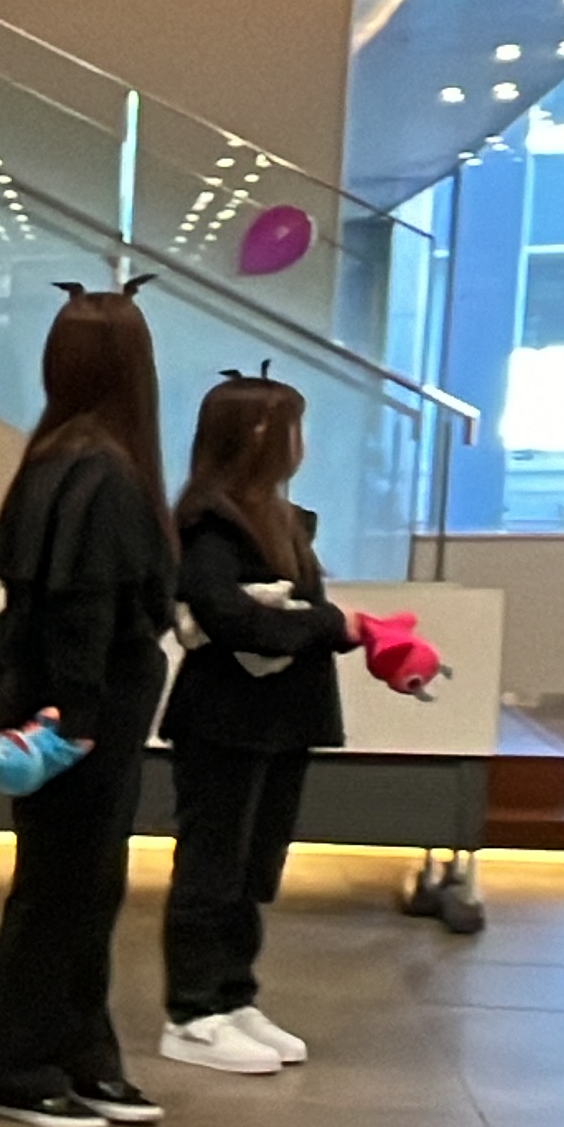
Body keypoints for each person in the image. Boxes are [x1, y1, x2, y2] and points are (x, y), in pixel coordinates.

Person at [0, 281, 180, 1127]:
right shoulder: (107, 475)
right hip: (85, 716)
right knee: (66, 891)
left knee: (77, 887)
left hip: (61, 709)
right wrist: (76, 723)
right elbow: (82, 612)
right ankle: (16, 1063)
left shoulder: (53, 461)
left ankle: (81, 1052)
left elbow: (23, 603)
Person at [156, 369, 352, 1075]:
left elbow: (285, 615)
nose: (301, 443)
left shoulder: (280, 518)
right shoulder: (210, 521)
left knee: (254, 868)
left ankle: (234, 994)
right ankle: (192, 1012)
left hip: (284, 717)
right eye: (291, 428)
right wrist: (327, 624)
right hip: (225, 718)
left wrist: (314, 621)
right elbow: (230, 615)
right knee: (212, 867)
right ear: (258, 436)